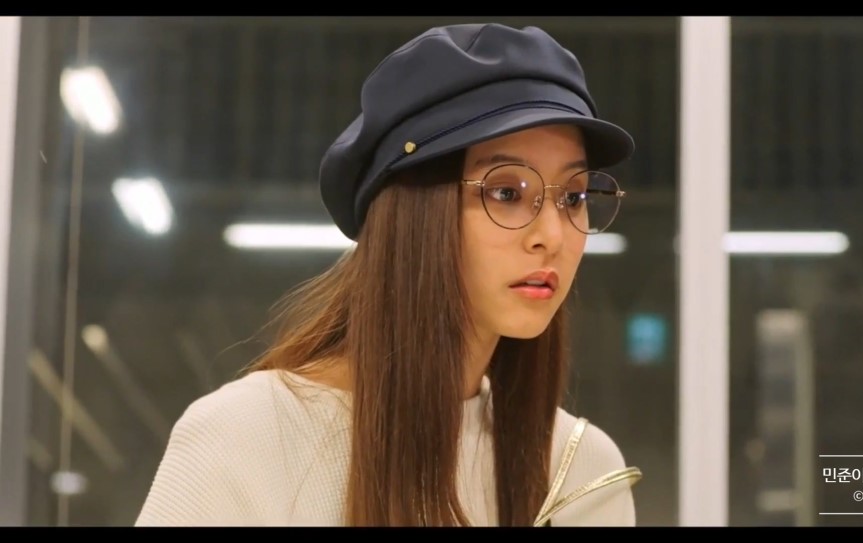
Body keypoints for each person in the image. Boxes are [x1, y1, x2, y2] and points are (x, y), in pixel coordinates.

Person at [135, 22, 641, 527]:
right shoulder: (248, 438)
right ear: (416, 212)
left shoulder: (581, 470)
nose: (552, 235)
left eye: (573, 196)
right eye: (506, 192)